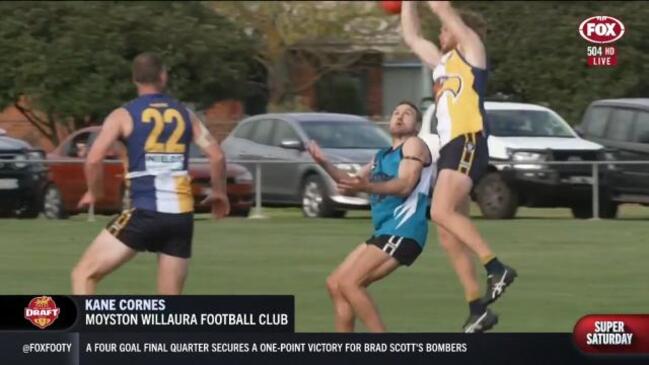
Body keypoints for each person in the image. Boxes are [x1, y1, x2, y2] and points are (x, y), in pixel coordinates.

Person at [401, 1, 518, 333]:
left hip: (468, 140)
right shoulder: (441, 64)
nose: (439, 34)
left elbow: (442, 9)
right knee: (448, 231)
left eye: (443, 29)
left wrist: (441, 12)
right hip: (452, 146)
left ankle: (496, 268)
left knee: (439, 211)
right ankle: (477, 308)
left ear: (457, 30)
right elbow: (411, 36)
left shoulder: (471, 51)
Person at [71, 52, 230, 295]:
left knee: (83, 275)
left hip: (145, 212)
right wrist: (219, 192)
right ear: (163, 77)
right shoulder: (185, 114)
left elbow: (93, 159)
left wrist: (95, 191)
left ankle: (90, 334)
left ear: (134, 79)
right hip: (180, 218)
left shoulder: (123, 115)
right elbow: (217, 156)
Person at [308, 101, 433, 332]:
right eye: (396, 112)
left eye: (407, 114)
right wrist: (323, 162)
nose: (399, 116)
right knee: (335, 284)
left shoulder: (414, 145)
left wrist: (368, 187)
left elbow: (405, 185)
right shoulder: (381, 156)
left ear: (416, 125)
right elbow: (348, 185)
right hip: (385, 231)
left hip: (404, 230)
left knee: (350, 283)